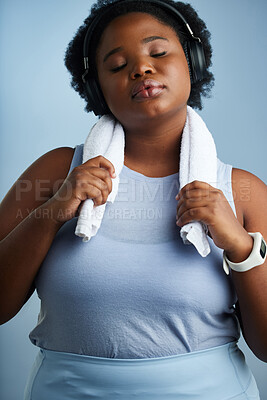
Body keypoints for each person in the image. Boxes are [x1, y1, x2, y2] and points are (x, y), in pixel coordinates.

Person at [0, 0, 266, 398]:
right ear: (97, 89)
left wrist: (242, 248)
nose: (141, 69)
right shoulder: (57, 172)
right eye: (117, 65)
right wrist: (52, 212)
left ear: (191, 62)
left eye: (158, 53)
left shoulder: (242, 191)